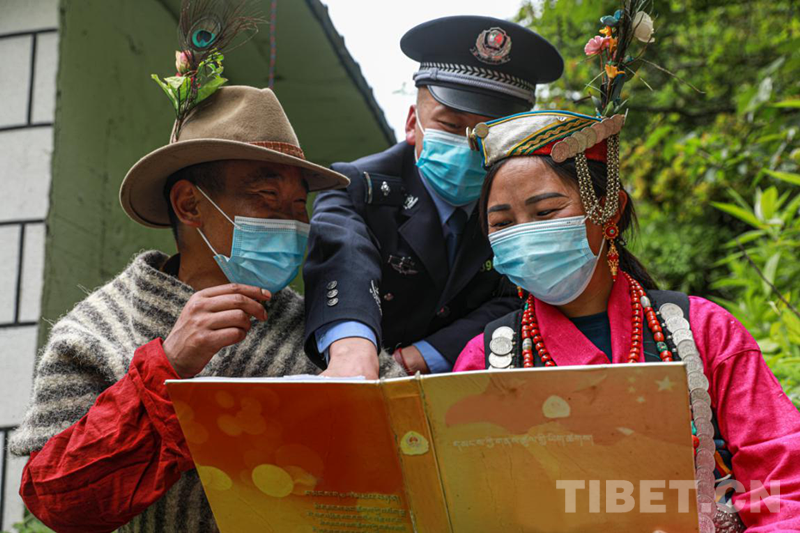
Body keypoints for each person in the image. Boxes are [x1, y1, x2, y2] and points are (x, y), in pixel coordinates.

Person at [10, 83, 403, 533]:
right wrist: (168, 365)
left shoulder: (324, 333)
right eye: (266, 197)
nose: (293, 223)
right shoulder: (95, 333)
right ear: (190, 204)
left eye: (299, 205)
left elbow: (407, 456)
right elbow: (58, 502)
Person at [451, 107, 800, 531]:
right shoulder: (485, 361)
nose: (523, 234)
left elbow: (783, 480)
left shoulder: (704, 330)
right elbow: (469, 501)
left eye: (544, 212)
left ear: (609, 210)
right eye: (502, 223)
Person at [303, 16, 563, 378]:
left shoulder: (536, 205)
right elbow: (344, 257)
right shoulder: (356, 186)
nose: (470, 144)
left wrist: (424, 356)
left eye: (492, 132)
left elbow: (520, 296)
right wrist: (353, 350)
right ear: (413, 123)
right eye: (451, 125)